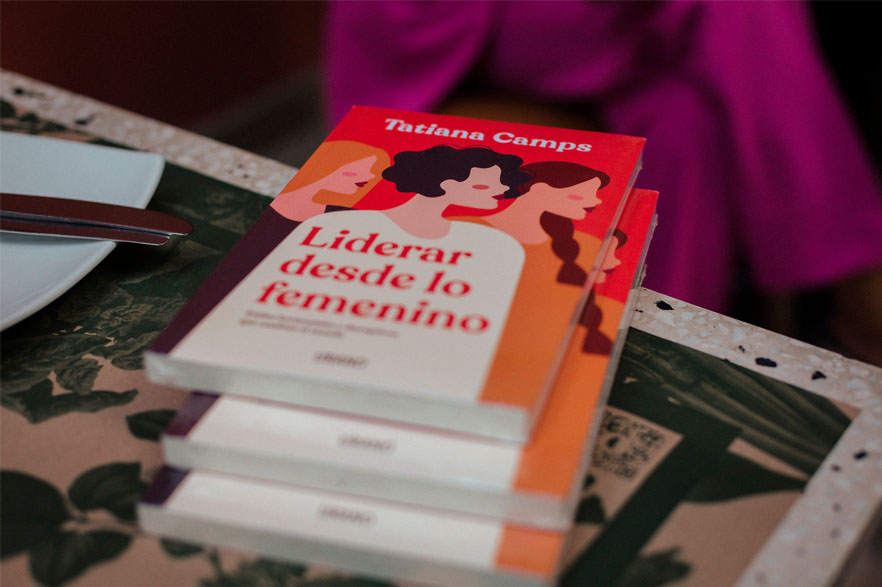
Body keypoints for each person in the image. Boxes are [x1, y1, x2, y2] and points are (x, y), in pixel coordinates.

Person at [324, 1, 882, 365]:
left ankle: (657, 348)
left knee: (686, 122)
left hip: (618, 39)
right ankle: (851, 275)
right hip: (463, 22)